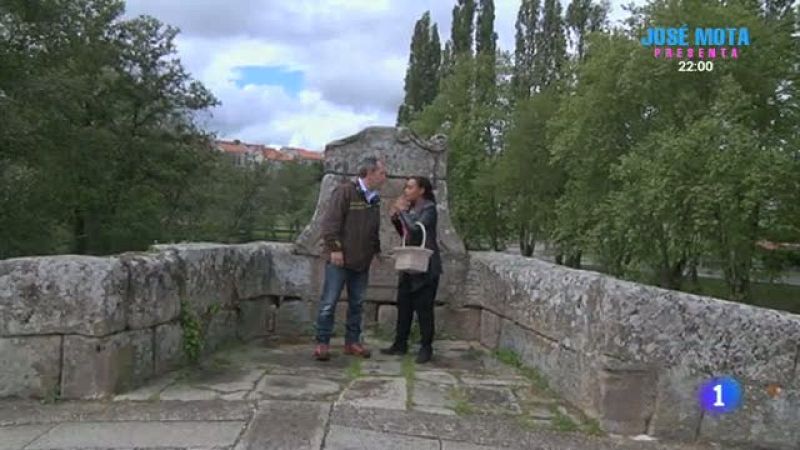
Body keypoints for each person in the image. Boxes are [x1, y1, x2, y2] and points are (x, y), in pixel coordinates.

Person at [313, 156, 387, 361]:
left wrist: (376, 251)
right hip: (340, 260)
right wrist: (335, 249)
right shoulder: (345, 192)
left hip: (362, 261)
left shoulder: (374, 198)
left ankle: (352, 342)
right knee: (329, 302)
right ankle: (322, 343)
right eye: (382, 173)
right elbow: (330, 223)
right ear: (370, 173)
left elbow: (373, 229)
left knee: (357, 303)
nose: (384, 177)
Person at [380, 176, 442, 363]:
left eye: (410, 187)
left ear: (421, 190)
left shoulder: (429, 208)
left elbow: (416, 230)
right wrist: (396, 218)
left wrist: (402, 212)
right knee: (404, 306)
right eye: (406, 187)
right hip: (408, 265)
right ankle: (400, 344)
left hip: (425, 267)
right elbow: (405, 233)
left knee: (424, 309)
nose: (406, 190)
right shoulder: (413, 208)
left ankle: (426, 347)